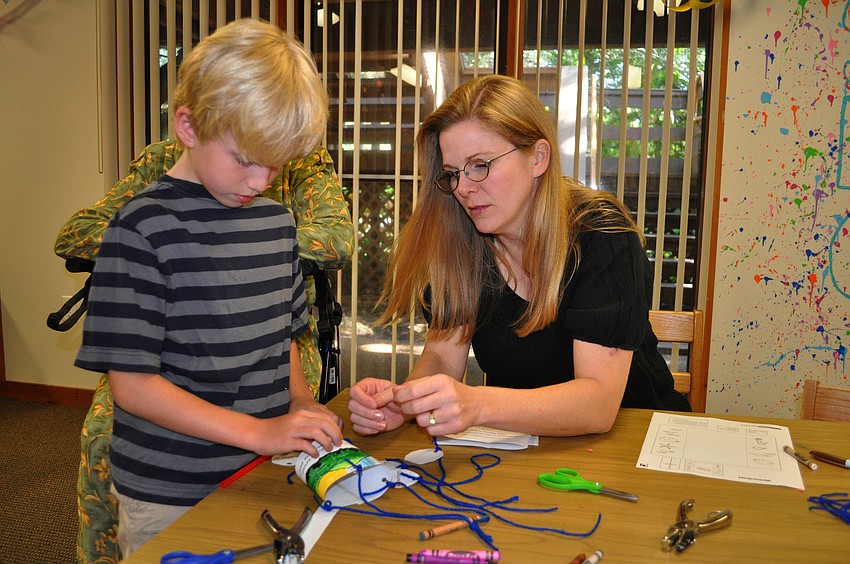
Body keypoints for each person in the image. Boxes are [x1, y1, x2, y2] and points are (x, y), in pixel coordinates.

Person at [57, 51, 353, 564]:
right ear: (189, 126)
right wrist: (260, 432)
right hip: (170, 488)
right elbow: (134, 387)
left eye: (276, 163)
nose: (260, 181)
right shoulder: (138, 229)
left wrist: (300, 402)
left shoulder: (277, 225)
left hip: (260, 471)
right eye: (245, 159)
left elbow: (281, 337)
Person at [348, 75, 690, 440]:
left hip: (637, 444)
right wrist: (405, 402)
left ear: (538, 158)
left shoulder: (601, 236)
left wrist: (477, 404)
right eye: (453, 173)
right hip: (523, 448)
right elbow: (443, 359)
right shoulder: (462, 242)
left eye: (480, 164)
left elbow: (598, 403)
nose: (463, 188)